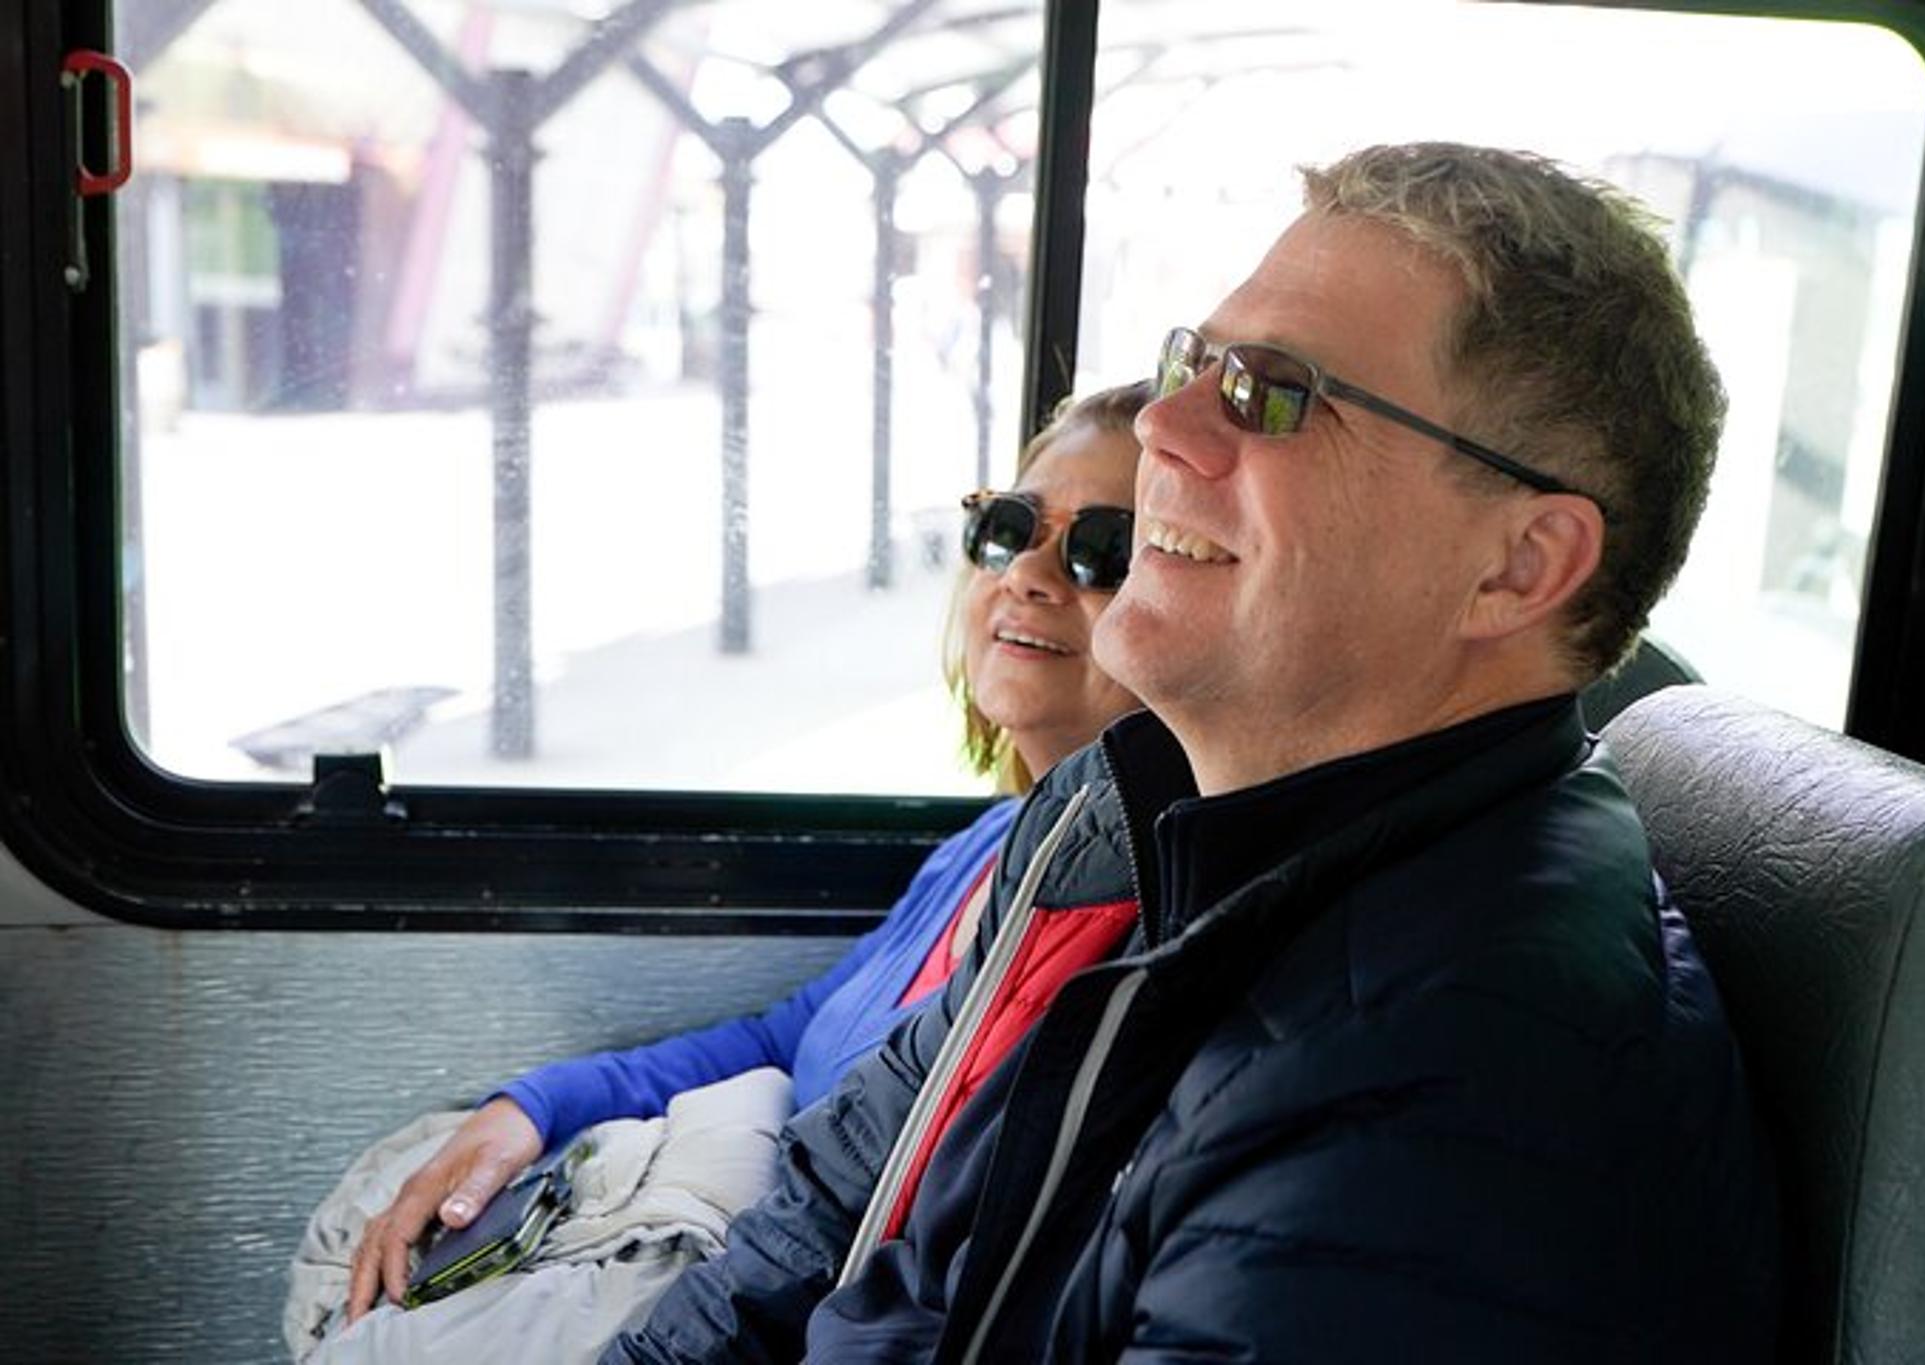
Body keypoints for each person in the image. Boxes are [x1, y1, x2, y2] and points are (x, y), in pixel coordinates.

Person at [602, 142, 1780, 1364]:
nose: (1162, 425)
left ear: (1515, 566)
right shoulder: (1120, 817)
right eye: (1191, 363)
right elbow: (837, 1205)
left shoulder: (1448, 1097)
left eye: (1270, 393)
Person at [304, 381, 1148, 1356]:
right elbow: (786, 1037)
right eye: (1008, 529)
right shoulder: (988, 852)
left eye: (1101, 551)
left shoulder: (1125, 928)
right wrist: (534, 1109)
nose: (1029, 575)